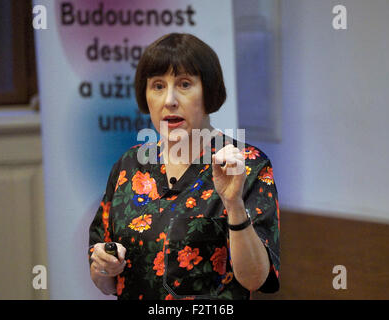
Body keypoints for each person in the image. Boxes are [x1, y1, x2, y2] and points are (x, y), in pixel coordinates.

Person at [88, 33, 280, 300]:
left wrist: (234, 204)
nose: (169, 100)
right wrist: (104, 266)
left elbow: (255, 279)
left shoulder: (246, 164)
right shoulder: (128, 166)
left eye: (185, 84)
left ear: (209, 92)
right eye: (157, 86)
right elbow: (107, 283)